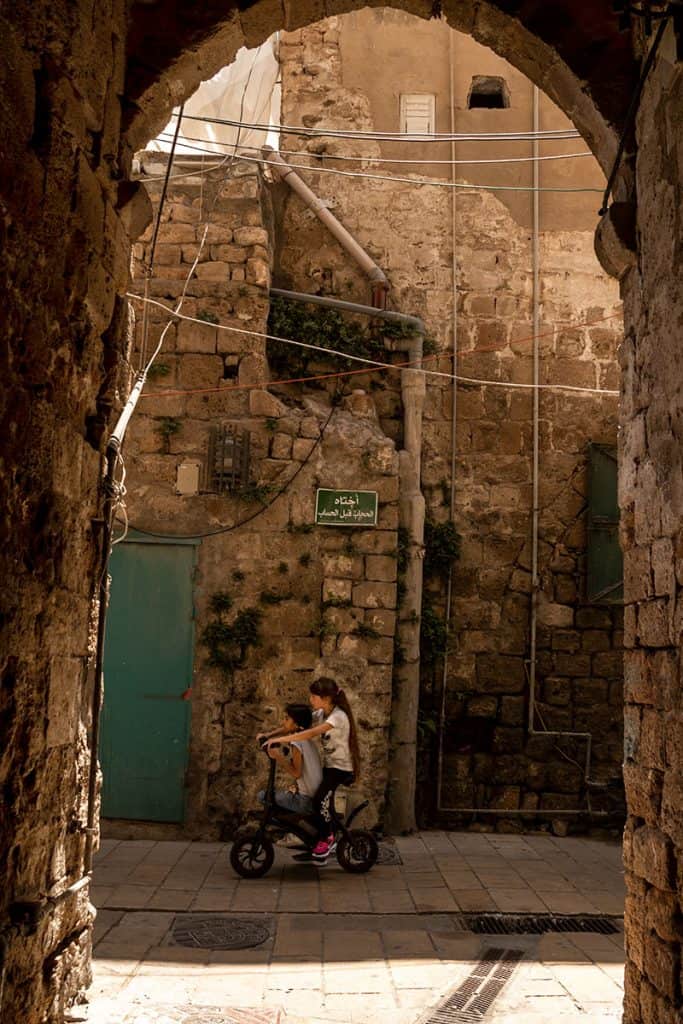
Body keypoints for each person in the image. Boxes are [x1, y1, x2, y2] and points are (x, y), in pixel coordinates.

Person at [265, 677, 360, 862]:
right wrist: (269, 735)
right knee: (323, 806)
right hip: (330, 767)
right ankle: (317, 842)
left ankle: (327, 839)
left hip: (340, 770)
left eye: (313, 696)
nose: (310, 700)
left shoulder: (337, 717)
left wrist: (279, 741)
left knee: (318, 802)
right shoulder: (322, 713)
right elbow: (299, 723)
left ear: (325, 698)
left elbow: (310, 733)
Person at [257, 703, 322, 815]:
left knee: (262, 796)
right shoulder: (306, 738)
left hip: (306, 801)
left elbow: (296, 773)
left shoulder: (297, 742)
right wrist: (268, 735)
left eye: (287, 719)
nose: (284, 722)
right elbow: (285, 729)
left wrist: (278, 756)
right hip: (316, 797)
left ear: (296, 724)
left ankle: (295, 820)